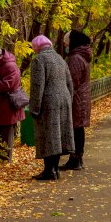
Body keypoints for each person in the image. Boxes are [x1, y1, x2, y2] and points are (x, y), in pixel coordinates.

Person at [28, 35, 75, 181]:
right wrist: (68, 100)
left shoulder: (39, 60)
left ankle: (49, 171)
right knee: (58, 135)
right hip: (64, 99)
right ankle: (55, 169)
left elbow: (37, 86)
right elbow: (70, 83)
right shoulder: (60, 59)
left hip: (48, 102)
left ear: (37, 47)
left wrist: (34, 108)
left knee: (48, 135)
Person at [61, 29, 92, 171]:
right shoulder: (82, 56)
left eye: (66, 43)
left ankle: (75, 159)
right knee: (78, 129)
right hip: (82, 98)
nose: (64, 45)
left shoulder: (75, 58)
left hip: (77, 100)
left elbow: (72, 81)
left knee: (75, 129)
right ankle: (77, 158)